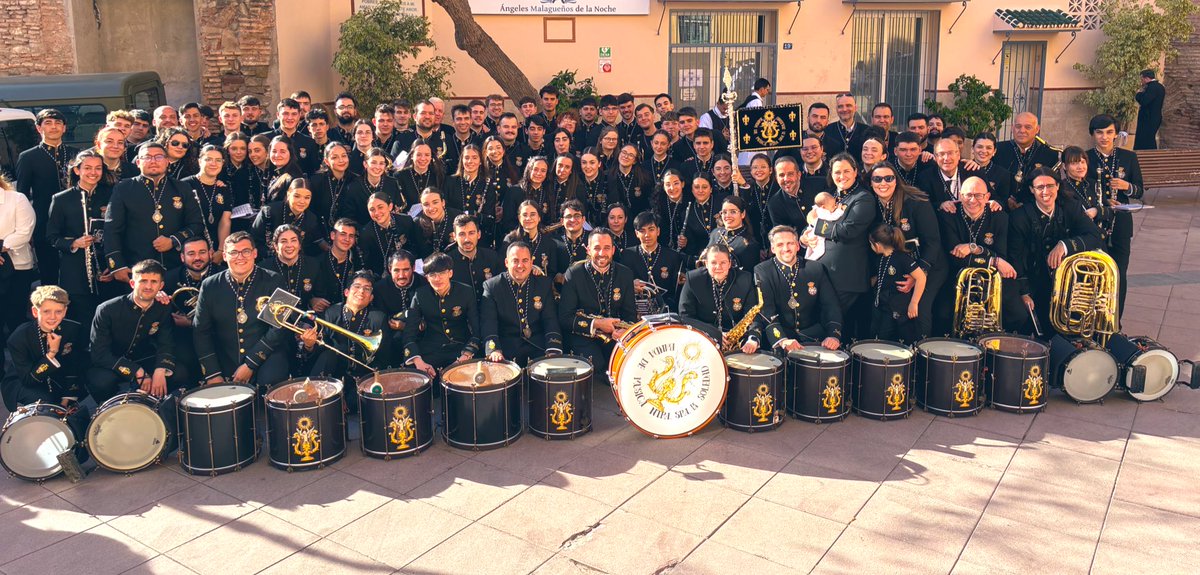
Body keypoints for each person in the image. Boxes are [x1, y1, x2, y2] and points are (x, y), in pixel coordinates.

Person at [1008, 168, 1104, 337]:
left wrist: (1064, 245)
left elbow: (1094, 236)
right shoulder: (1019, 217)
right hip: (1034, 283)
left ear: (1058, 186)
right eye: (1040, 187)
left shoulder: (1071, 207)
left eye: (1050, 186)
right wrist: (1024, 293)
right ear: (1031, 190)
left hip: (1068, 283)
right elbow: (1015, 257)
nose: (1046, 192)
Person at [194, 231, 290, 388]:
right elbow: (201, 331)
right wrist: (212, 373)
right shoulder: (209, 285)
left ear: (255, 253)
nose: (240, 257)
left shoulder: (275, 280)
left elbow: (278, 328)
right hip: (226, 358)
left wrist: (251, 364)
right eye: (233, 252)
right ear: (224, 256)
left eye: (246, 251)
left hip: (266, 357)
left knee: (270, 382)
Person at [104, 142, 205, 280]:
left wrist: (174, 240)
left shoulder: (182, 188)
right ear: (138, 162)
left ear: (167, 161)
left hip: (176, 267)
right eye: (147, 157)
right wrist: (117, 265)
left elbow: (196, 224)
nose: (153, 161)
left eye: (158, 157)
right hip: (137, 267)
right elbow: (111, 229)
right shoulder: (123, 188)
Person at [2, 286, 91, 444]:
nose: (52, 317)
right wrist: (52, 353)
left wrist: (66, 399)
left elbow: (74, 365)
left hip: (58, 378)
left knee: (67, 406)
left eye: (58, 311)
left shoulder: (74, 329)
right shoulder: (18, 338)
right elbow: (28, 379)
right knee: (45, 403)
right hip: (24, 381)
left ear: (65, 311)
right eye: (46, 311)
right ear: (36, 312)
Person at [87, 260, 185, 403]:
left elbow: (166, 342)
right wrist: (136, 371)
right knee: (101, 382)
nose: (148, 286)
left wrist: (160, 368)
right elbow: (99, 354)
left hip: (144, 357)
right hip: (111, 362)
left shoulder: (163, 307)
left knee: (179, 373)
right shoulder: (107, 309)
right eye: (143, 281)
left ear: (161, 286)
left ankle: (160, 407)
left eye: (154, 282)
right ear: (133, 284)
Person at [937, 177, 1025, 334]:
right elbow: (954, 256)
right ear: (959, 195)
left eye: (978, 195)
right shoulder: (948, 215)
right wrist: (992, 259)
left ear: (987, 197)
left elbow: (1002, 254)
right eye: (967, 195)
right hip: (957, 276)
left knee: (1018, 314)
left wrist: (975, 249)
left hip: (993, 275)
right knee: (942, 314)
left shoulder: (1000, 217)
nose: (972, 200)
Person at [868, 162, 944, 337]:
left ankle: (920, 357)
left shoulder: (916, 202)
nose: (883, 183)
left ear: (897, 180)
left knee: (919, 310)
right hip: (899, 265)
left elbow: (932, 242)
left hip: (928, 264)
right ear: (871, 182)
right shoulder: (872, 204)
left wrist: (918, 274)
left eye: (889, 178)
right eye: (877, 179)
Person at [801, 153, 874, 337]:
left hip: (846, 276)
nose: (842, 176)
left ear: (856, 172)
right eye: (837, 172)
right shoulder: (831, 196)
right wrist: (804, 237)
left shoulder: (862, 198)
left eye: (847, 171)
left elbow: (847, 231)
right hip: (824, 273)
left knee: (835, 326)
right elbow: (813, 220)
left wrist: (816, 225)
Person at [558, 228, 637, 375]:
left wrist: (622, 331)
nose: (602, 253)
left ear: (613, 250)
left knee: (623, 366)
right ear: (588, 250)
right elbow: (564, 317)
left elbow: (630, 315)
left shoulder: (625, 274)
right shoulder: (574, 274)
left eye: (606, 248)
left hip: (615, 335)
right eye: (597, 248)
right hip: (583, 336)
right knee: (598, 366)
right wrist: (598, 324)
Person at [1086, 114, 1144, 316]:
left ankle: (1115, 320)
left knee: (1119, 273)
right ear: (1093, 134)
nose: (1104, 137)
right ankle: (1094, 316)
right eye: (1099, 132)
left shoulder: (1129, 157)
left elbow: (1139, 191)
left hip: (1121, 223)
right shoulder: (1086, 157)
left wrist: (1126, 186)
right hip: (1095, 224)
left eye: (1109, 132)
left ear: (1116, 134)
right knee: (1094, 273)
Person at [47, 150, 112, 325]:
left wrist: (114, 266)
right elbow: (52, 237)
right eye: (88, 168)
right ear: (77, 170)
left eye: (98, 168)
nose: (93, 172)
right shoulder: (61, 199)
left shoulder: (112, 194)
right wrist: (74, 243)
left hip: (105, 267)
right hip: (75, 270)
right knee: (82, 319)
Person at [753, 225, 842, 351]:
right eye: (780, 245)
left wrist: (833, 335)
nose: (786, 248)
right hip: (783, 339)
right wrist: (782, 340)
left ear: (797, 246)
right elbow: (767, 311)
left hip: (814, 339)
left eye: (790, 243)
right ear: (772, 248)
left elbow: (831, 305)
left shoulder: (815, 268)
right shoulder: (763, 270)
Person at [16, 109, 79, 286]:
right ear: (39, 128)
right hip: (43, 219)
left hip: (74, 219)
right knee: (48, 266)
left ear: (64, 128)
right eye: (48, 123)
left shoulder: (76, 154)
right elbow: (22, 195)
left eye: (58, 123)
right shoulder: (28, 157)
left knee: (75, 265)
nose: (54, 127)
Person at [301, 271, 386, 394]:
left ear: (371, 297)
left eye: (367, 289)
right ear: (346, 292)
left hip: (363, 379)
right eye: (357, 286)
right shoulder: (331, 313)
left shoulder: (378, 318)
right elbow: (320, 352)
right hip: (332, 379)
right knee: (327, 356)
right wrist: (309, 346)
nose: (361, 291)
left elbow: (383, 358)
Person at [481, 242, 563, 365]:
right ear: (506, 263)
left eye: (525, 260)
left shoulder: (544, 284)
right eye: (515, 261)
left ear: (531, 262)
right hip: (506, 351)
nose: (520, 265)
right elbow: (489, 323)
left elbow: (550, 320)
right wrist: (494, 350)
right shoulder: (492, 286)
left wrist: (553, 348)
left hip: (538, 348)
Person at [403, 252, 480, 376]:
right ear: (427, 278)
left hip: (460, 348)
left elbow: (477, 330)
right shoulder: (420, 295)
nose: (437, 279)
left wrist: (466, 355)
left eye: (442, 273)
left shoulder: (466, 292)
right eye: (432, 275)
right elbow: (409, 333)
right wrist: (418, 361)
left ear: (450, 273)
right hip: (431, 350)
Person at [679, 244, 760, 352]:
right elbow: (685, 317)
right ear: (706, 264)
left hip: (737, 342)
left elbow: (753, 315)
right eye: (713, 263)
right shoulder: (693, 279)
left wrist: (753, 338)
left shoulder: (745, 279)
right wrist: (712, 333)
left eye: (723, 262)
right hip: (702, 339)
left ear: (730, 264)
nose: (718, 267)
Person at [866, 224, 926, 342]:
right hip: (883, 305)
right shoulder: (881, 258)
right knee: (878, 333)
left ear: (877, 245)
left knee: (897, 336)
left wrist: (914, 303)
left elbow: (921, 277)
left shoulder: (902, 258)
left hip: (898, 307)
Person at [260, 224, 335, 312]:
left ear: (299, 245)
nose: (289, 245)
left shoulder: (313, 265)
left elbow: (321, 295)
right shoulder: (263, 268)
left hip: (306, 318)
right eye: (284, 241)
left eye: (293, 240)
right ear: (276, 246)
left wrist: (313, 301)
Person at [993, 112, 1061, 207]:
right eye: (1018, 126)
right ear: (1012, 128)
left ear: (1037, 129)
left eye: (1028, 127)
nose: (1022, 130)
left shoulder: (1049, 154)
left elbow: (1051, 187)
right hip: (1001, 207)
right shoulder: (998, 150)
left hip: (1034, 209)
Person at [623, 211, 685, 312]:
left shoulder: (672, 256)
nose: (647, 235)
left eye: (651, 229)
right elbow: (621, 283)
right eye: (642, 231)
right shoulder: (627, 255)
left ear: (658, 231)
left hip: (665, 311)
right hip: (635, 311)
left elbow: (677, 292)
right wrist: (630, 285)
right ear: (636, 233)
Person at [252, 177, 326, 257]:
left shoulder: (311, 219)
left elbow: (311, 245)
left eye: (307, 197)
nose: (302, 201)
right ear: (288, 194)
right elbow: (254, 239)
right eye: (297, 196)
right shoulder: (269, 211)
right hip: (268, 259)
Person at [180, 144, 232, 257]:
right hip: (190, 247)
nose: (213, 163)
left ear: (223, 163)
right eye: (208, 159)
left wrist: (221, 250)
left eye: (218, 160)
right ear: (199, 161)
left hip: (215, 248)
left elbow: (225, 221)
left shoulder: (223, 188)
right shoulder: (185, 185)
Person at [448, 214, 503, 304]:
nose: (467, 239)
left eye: (471, 233)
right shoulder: (448, 263)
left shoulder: (492, 257)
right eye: (462, 234)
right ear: (454, 237)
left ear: (479, 234)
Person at [709, 195, 760, 271]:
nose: (727, 216)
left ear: (742, 214)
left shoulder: (749, 244)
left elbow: (747, 277)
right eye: (724, 212)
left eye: (733, 212)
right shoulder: (715, 233)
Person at [805, 192, 843, 261]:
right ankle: (810, 260)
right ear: (823, 207)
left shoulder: (816, 209)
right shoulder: (823, 212)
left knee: (810, 250)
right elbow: (833, 217)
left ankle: (808, 258)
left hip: (813, 231)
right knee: (820, 250)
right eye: (832, 206)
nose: (835, 206)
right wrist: (840, 210)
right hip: (817, 234)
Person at [1135, 69, 1165, 150]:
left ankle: (1146, 158)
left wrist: (1138, 94)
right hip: (1154, 117)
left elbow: (1144, 101)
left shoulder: (1151, 87)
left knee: (1145, 140)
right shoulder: (1160, 87)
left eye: (1142, 79)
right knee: (1149, 139)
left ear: (1146, 78)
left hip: (1148, 119)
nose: (1141, 81)